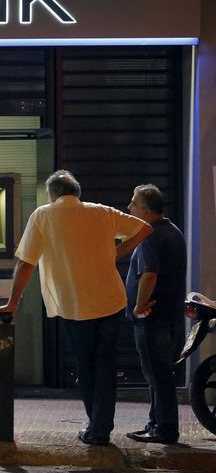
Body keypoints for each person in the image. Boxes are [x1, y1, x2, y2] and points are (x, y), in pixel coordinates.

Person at [0, 170, 152, 446]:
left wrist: (13, 301)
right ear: (76, 192)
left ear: (52, 194)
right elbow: (144, 228)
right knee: (105, 365)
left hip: (74, 306)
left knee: (86, 366)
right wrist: (117, 251)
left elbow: (26, 262)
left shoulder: (43, 215)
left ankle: (97, 428)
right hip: (111, 302)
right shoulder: (101, 212)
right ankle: (101, 427)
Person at [124, 184, 186, 444]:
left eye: (134, 204)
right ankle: (155, 423)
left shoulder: (150, 236)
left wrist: (139, 306)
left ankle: (165, 427)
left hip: (153, 317)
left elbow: (149, 274)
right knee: (158, 373)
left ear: (147, 211)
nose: (129, 208)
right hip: (168, 315)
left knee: (157, 374)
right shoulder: (172, 231)